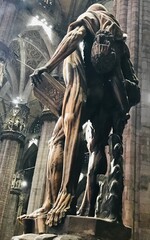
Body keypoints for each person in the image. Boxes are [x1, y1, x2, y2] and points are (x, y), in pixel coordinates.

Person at [18, 3, 140, 227]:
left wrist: (48, 66)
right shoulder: (117, 36)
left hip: (85, 92)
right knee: (97, 149)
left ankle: (57, 200)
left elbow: (74, 36)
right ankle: (88, 208)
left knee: (60, 138)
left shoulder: (91, 18)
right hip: (108, 101)